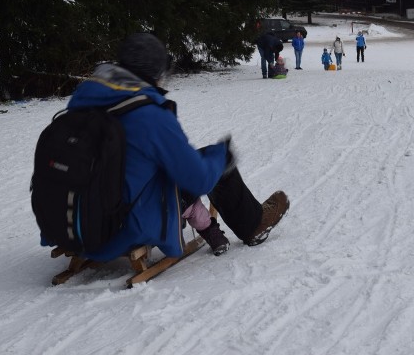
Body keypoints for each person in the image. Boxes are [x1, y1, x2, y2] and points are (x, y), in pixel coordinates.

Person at [52, 33, 290, 262]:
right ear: (156, 72)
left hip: (72, 220)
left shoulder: (83, 103)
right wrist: (221, 157)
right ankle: (253, 224)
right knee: (214, 161)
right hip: (120, 229)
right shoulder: (149, 115)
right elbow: (198, 180)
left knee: (167, 163)